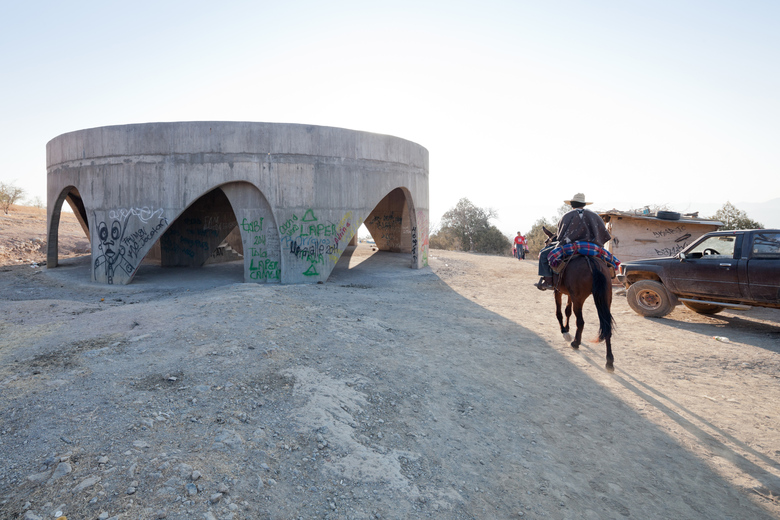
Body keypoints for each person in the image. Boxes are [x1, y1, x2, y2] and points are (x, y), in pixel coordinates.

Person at [535, 193, 611, 290]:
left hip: (570, 246)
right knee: (608, 259)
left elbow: (560, 235)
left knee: (543, 254)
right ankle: (610, 274)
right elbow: (602, 232)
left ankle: (548, 281)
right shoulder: (594, 216)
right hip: (592, 246)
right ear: (584, 204)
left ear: (572, 204)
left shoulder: (567, 216)